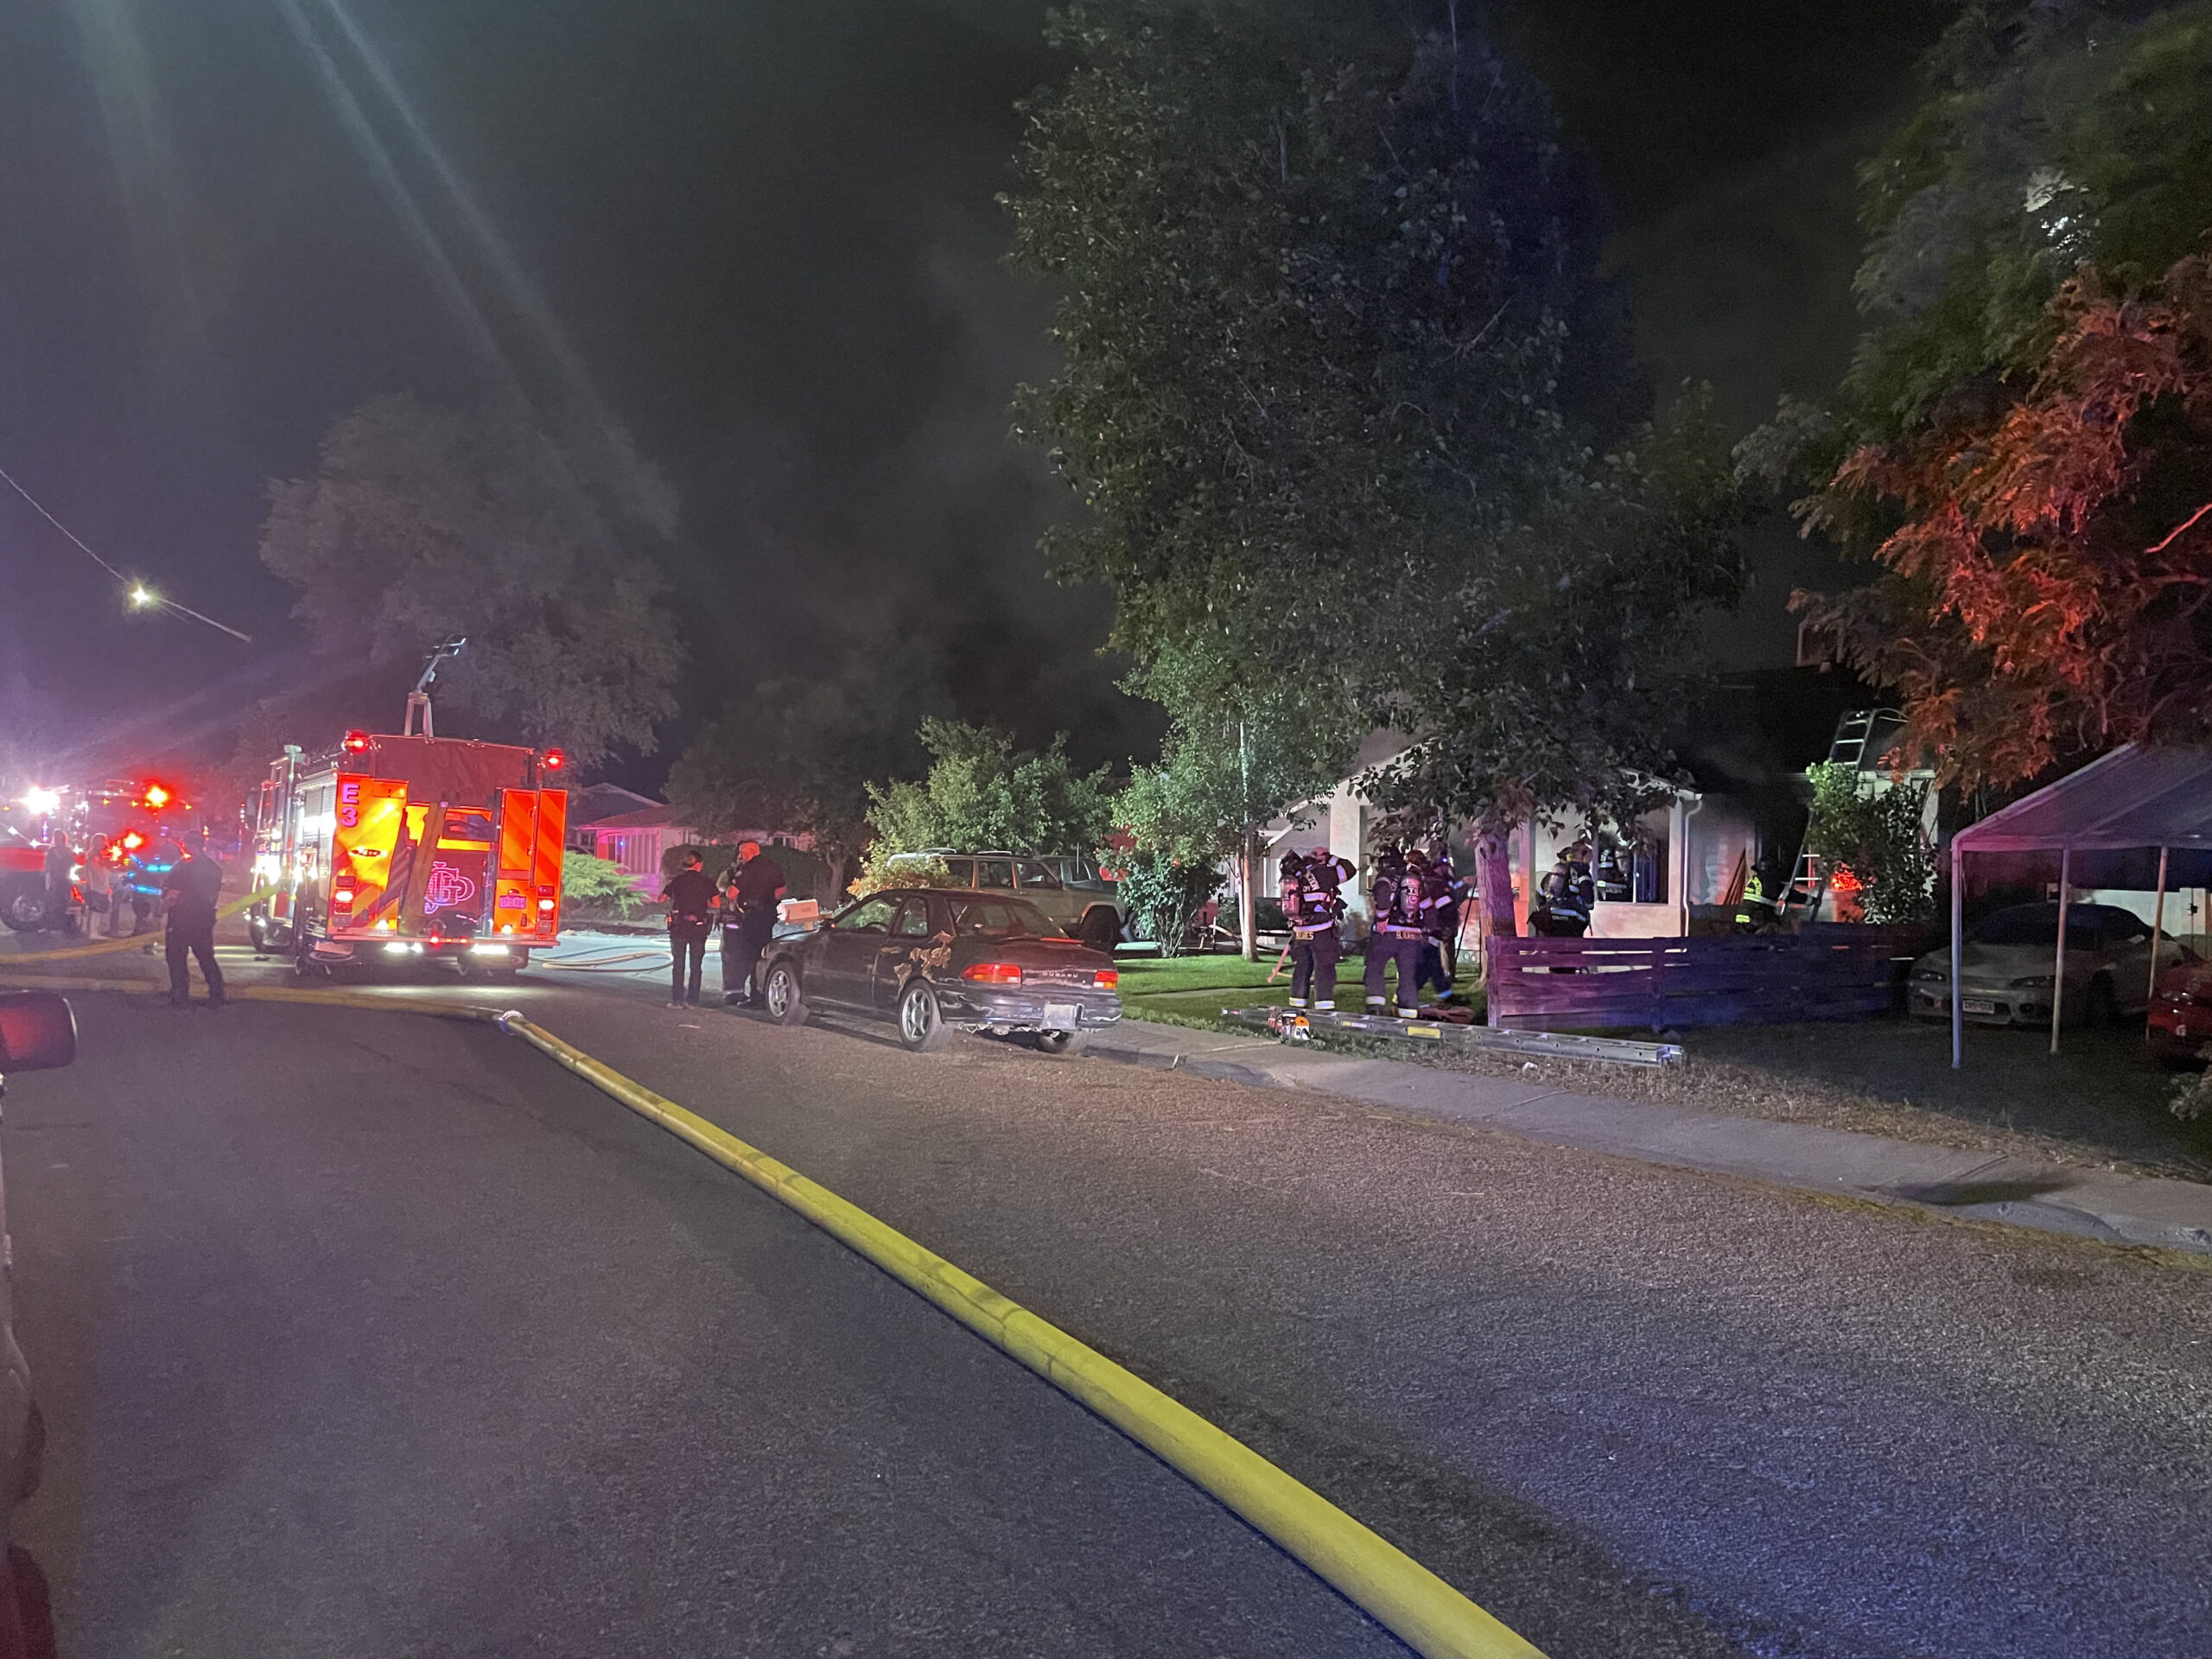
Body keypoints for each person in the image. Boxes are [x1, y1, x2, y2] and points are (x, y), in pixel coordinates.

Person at [719, 840, 789, 1007]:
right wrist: (768, 899)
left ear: (752, 852)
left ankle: (749, 995)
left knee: (747, 956)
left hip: (750, 916)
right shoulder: (772, 866)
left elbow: (731, 893)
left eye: (742, 853)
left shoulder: (748, 869)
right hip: (767, 915)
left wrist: (738, 901)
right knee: (762, 954)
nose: (740, 856)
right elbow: (781, 889)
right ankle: (759, 994)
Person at [161, 830, 226, 1007]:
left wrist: (173, 897)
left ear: (191, 845)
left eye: (186, 844)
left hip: (185, 918)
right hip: (199, 919)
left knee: (179, 958)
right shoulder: (211, 868)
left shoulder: (185, 866)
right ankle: (215, 994)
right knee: (203, 957)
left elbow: (172, 889)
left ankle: (181, 995)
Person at [1283, 847, 1351, 1012]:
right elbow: (1349, 869)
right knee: (1324, 968)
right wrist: (1330, 858)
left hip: (1300, 931)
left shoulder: (1295, 875)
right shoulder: (1324, 873)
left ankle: (1297, 1004)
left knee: (1302, 967)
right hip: (1321, 930)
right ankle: (1324, 1005)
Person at [1363, 844, 1427, 1017]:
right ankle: (1409, 1013)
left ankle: (1375, 1008)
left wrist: (1382, 919)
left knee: (1375, 967)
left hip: (1388, 933)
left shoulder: (1385, 876)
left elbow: (1383, 896)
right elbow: (1427, 905)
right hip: (1412, 935)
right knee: (1408, 975)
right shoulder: (1415, 877)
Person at [660, 851, 717, 1007]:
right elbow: (716, 903)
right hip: (698, 927)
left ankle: (676, 1000)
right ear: (698, 864)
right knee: (696, 965)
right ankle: (692, 1000)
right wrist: (703, 902)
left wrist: (676, 898)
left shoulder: (678, 881)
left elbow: (661, 898)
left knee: (678, 964)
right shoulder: (707, 882)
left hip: (679, 926)